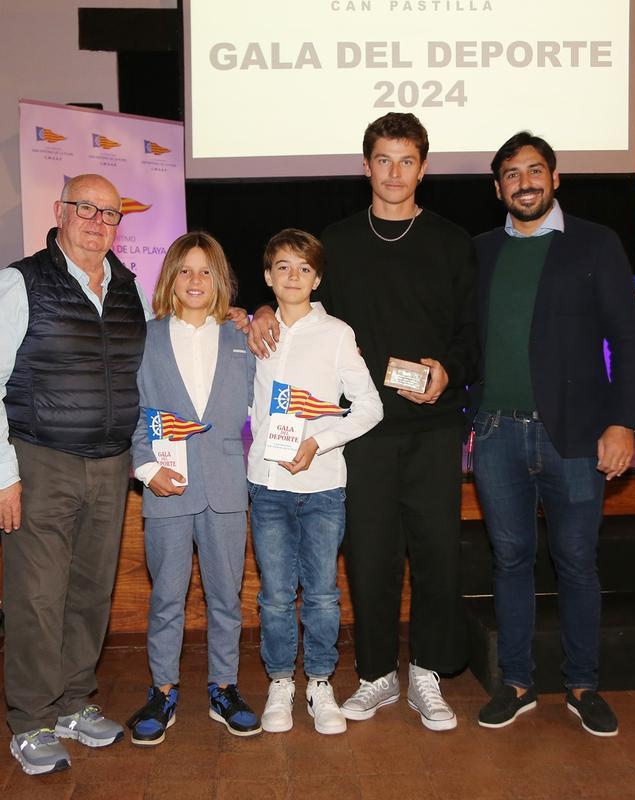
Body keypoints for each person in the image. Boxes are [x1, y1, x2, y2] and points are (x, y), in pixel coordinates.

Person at [249, 113, 477, 731]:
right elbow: (303, 295)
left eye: (407, 161)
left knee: (436, 556)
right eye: (383, 160)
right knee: (371, 557)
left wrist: (447, 371)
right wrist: (266, 308)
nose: (395, 172)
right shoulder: (338, 241)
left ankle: (427, 673)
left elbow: (469, 334)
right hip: (364, 431)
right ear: (366, 166)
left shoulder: (453, 242)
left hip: (432, 428)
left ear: (423, 168)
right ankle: (377, 674)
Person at [0, 174, 149, 775]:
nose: (97, 220)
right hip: (40, 460)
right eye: (84, 208)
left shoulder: (127, 286)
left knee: (91, 592)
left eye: (109, 213)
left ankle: (71, 703)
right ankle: (31, 721)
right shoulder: (17, 283)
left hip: (110, 462)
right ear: (60, 211)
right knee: (38, 598)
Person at [470, 132, 635, 737]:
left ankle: (582, 685)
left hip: (575, 434)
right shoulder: (481, 251)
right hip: (495, 435)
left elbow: (627, 339)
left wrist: (624, 422)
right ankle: (516, 683)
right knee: (511, 560)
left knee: (576, 563)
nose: (525, 182)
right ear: (498, 188)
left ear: (556, 178)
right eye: (512, 174)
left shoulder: (596, 243)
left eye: (535, 170)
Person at [247, 229, 383, 736]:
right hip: (267, 486)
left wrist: (318, 442)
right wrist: (253, 314)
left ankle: (320, 682)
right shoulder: (257, 334)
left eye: (304, 269)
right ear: (267, 276)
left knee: (323, 593)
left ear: (318, 277)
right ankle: (281, 682)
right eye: (282, 267)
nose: (293, 276)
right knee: (276, 595)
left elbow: (370, 407)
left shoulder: (338, 334)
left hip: (324, 486)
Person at [126, 232, 260, 745]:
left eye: (206, 271)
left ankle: (224, 688)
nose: (195, 280)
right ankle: (162, 691)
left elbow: (267, 403)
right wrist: (144, 468)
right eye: (185, 270)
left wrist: (261, 314)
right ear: (170, 280)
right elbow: (134, 414)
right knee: (166, 598)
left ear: (220, 280)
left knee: (226, 597)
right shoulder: (147, 337)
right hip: (166, 487)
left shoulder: (241, 340)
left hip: (227, 487)